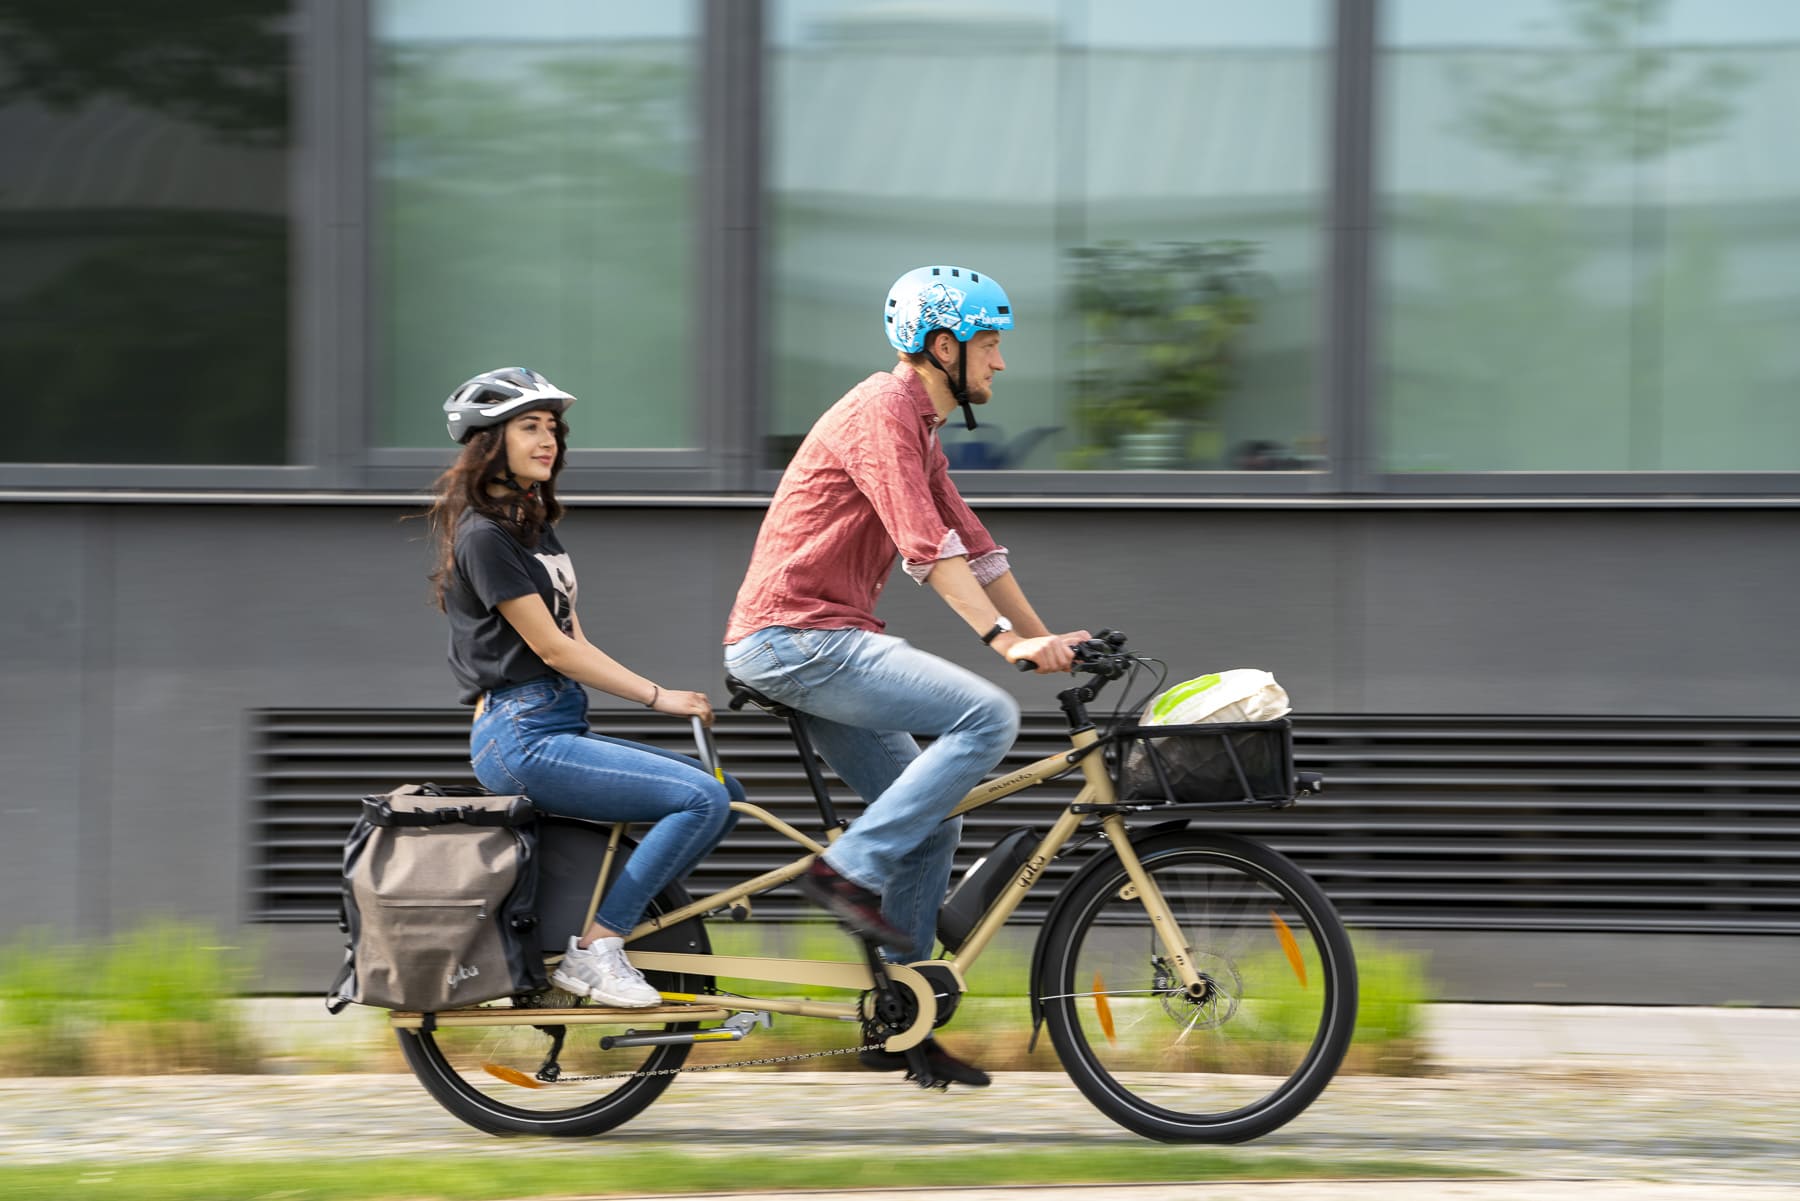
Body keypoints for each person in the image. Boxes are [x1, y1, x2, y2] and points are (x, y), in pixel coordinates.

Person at [722, 266, 1089, 1085]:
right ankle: (848, 868)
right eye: (991, 345)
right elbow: (928, 552)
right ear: (944, 345)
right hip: (797, 638)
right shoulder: (880, 412)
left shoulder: (918, 429)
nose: (1001, 364)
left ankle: (904, 1022)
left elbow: (976, 546)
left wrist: (1047, 638)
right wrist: (1002, 644)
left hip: (818, 639)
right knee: (987, 718)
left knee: (935, 820)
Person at [427, 366, 740, 1008]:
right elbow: (550, 648)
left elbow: (575, 637)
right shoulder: (485, 537)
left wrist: (657, 694)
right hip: (521, 734)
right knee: (699, 801)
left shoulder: (531, 528)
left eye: (553, 430)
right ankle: (597, 948)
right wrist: (658, 697)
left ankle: (627, 923)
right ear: (491, 441)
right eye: (530, 427)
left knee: (721, 794)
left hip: (554, 721)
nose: (549, 441)